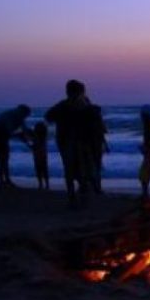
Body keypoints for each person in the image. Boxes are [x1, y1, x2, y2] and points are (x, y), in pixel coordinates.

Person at [45, 79, 96, 207]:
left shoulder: (65, 105)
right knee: (78, 169)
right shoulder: (75, 105)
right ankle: (76, 196)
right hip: (72, 141)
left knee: (72, 169)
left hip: (68, 141)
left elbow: (48, 117)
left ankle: (74, 196)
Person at [0, 104, 31, 187]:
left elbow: (24, 131)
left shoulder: (19, 117)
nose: (26, 117)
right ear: (22, 112)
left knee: (4, 158)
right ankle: (2, 181)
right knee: (2, 158)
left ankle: (5, 180)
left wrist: (27, 140)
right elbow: (8, 132)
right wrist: (20, 136)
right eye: (26, 115)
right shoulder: (10, 116)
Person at [26, 121, 50, 190]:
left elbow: (34, 147)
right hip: (43, 155)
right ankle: (47, 185)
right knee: (45, 170)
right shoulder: (43, 138)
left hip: (37, 156)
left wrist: (28, 144)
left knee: (38, 170)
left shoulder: (35, 138)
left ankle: (40, 184)